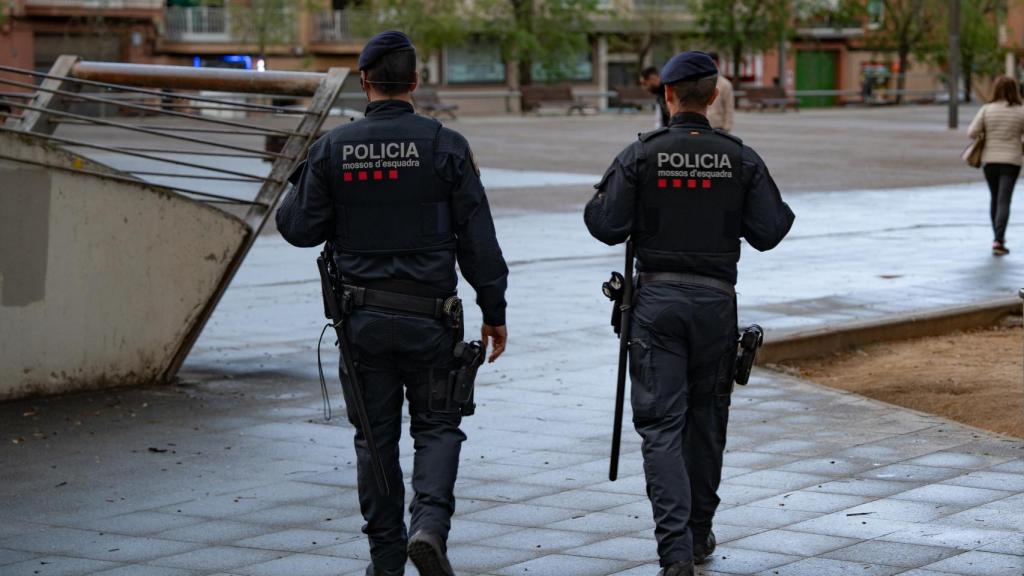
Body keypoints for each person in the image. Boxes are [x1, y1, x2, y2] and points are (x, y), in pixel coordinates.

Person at [276, 30, 509, 576]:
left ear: (364, 82)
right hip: (432, 320)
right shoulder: (445, 145)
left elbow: (297, 229)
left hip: (362, 324)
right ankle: (428, 527)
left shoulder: (333, 148)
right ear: (415, 82)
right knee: (439, 427)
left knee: (374, 440)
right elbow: (479, 240)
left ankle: (385, 560)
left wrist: (307, 173)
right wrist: (494, 311)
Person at [584, 51, 794, 576]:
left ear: (668, 94)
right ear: (715, 95)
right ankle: (698, 535)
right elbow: (771, 230)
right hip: (715, 304)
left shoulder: (642, 153)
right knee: (707, 422)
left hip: (656, 303)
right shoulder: (739, 157)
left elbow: (603, 224)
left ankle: (675, 551)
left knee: (661, 426)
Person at [968, 74, 1024, 256]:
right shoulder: (1021, 111)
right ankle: (999, 240)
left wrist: (987, 133)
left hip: (990, 161)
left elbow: (972, 132)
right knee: (1004, 200)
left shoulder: (987, 109)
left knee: (995, 198)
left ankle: (997, 238)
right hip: (1011, 161)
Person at [706, 53, 734, 133]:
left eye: (713, 63)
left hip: (718, 127)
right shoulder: (701, 83)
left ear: (718, 64)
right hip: (702, 126)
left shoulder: (725, 84)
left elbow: (729, 108)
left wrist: (727, 128)